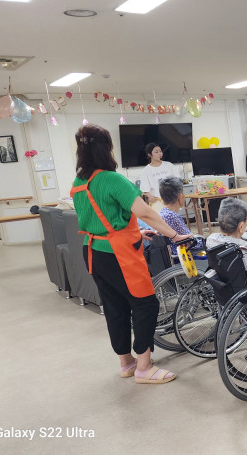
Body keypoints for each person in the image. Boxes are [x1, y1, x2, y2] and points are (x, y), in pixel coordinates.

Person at [70, 124, 190, 384]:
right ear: (107, 148)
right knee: (145, 304)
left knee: (115, 307)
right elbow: (144, 212)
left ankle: (126, 363)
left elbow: (101, 219)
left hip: (93, 251)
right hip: (119, 254)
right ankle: (144, 367)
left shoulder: (79, 183)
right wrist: (174, 235)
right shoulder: (112, 179)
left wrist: (136, 233)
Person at [157, 176, 192, 244]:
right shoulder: (172, 216)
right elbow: (190, 241)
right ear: (180, 197)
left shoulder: (161, 214)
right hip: (180, 250)